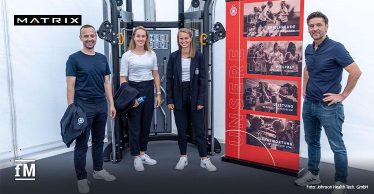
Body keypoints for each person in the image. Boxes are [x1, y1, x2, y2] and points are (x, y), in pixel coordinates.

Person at [294, 12, 362, 194]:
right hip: (309, 104)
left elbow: (355, 72)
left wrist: (343, 95)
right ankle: (314, 175)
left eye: (318, 25)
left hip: (329, 107)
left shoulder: (336, 48)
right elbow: (308, 69)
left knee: (336, 145)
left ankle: (341, 183)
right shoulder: (309, 48)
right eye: (311, 26)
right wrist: (304, 88)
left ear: (326, 27)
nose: (314, 29)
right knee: (312, 142)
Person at [66, 24, 117, 193]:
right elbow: (70, 85)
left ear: (96, 37)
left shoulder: (102, 58)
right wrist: (71, 108)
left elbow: (106, 83)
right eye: (86, 36)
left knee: (98, 140)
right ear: (80, 38)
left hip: (101, 105)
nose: (89, 39)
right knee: (81, 144)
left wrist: (111, 104)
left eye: (92, 35)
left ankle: (98, 170)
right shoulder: (73, 59)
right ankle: (81, 178)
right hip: (82, 106)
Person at [166, 28, 217, 171]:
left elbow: (203, 80)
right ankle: (183, 157)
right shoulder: (173, 56)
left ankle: (204, 159)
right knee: (181, 130)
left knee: (199, 130)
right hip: (178, 96)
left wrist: (201, 101)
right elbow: (169, 80)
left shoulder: (198, 56)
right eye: (181, 39)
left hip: (195, 95)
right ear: (178, 40)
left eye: (186, 38)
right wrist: (170, 99)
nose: (183, 41)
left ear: (191, 39)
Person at [119, 26, 162, 171]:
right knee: (134, 125)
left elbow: (155, 74)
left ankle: (143, 153)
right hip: (133, 90)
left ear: (146, 38)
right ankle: (136, 156)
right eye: (138, 36)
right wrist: (131, 98)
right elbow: (123, 79)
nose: (141, 39)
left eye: (143, 36)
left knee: (145, 123)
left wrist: (158, 94)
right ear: (133, 37)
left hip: (148, 90)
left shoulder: (152, 54)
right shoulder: (127, 55)